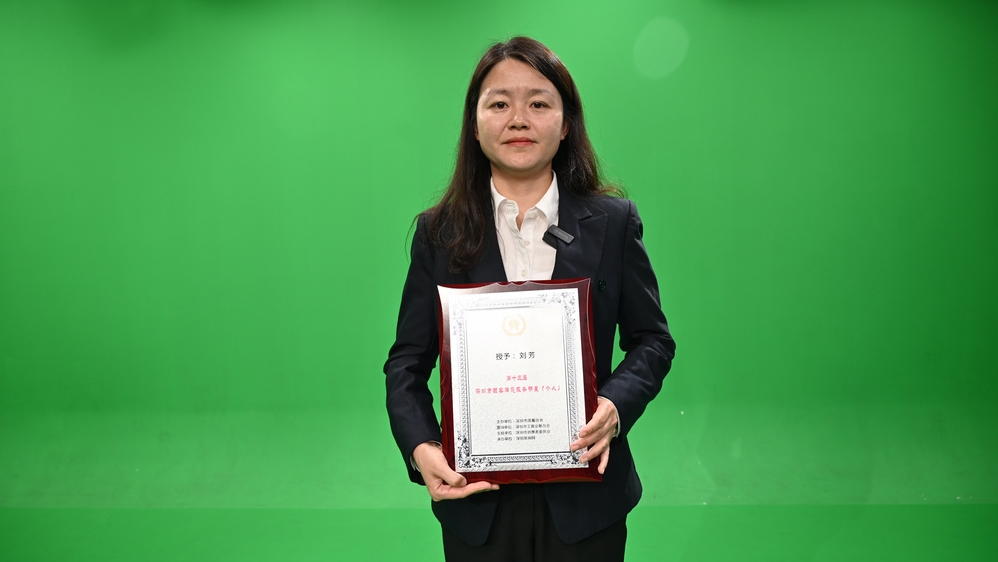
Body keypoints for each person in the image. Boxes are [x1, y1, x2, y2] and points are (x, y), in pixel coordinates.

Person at [384, 36, 676, 561]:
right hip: (477, 498)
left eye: (539, 103)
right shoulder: (439, 233)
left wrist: (614, 406)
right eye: (499, 104)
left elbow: (653, 342)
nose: (518, 119)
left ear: (566, 125)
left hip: (588, 498)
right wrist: (421, 447)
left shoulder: (613, 223)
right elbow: (406, 364)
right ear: (475, 125)